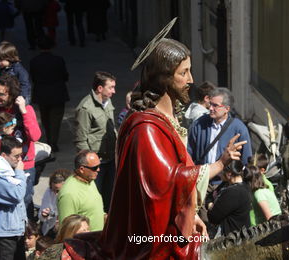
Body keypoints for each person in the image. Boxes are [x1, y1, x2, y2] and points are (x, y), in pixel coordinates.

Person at [101, 37, 246, 259]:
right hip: (151, 239)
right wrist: (219, 163)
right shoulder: (146, 129)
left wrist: (190, 215)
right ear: (163, 78)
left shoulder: (167, 119)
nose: (191, 80)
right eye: (183, 73)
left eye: (190, 71)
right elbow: (166, 183)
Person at [0, 74, 41, 221]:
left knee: (24, 200)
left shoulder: (24, 109)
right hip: (2, 165)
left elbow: (35, 136)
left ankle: (27, 234)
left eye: (1, 94)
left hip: (23, 165)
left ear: (11, 94)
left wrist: (24, 111)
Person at [75, 71, 116, 212]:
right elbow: (81, 139)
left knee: (110, 197)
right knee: (95, 198)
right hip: (96, 163)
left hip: (110, 158)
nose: (114, 91)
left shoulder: (108, 102)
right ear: (100, 88)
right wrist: (90, 163)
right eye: (110, 87)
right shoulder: (86, 108)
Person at [188, 87, 252, 167]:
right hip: (203, 177)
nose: (210, 108)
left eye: (215, 105)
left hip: (225, 178)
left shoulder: (239, 129)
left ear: (226, 109)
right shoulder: (199, 124)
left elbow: (247, 160)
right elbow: (188, 153)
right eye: (210, 104)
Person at [30, 36, 69, 152]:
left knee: (45, 118)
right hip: (57, 92)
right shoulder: (58, 60)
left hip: (42, 93)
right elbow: (65, 76)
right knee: (56, 119)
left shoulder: (34, 61)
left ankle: (49, 139)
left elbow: (33, 78)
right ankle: (53, 141)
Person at [57, 150, 104, 232]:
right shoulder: (69, 194)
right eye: (95, 168)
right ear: (82, 169)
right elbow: (67, 230)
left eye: (99, 166)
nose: (98, 170)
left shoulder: (89, 179)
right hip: (86, 242)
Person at [207, 160, 251, 237]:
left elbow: (213, 217)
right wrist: (211, 203)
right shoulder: (228, 184)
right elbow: (209, 197)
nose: (218, 173)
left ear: (229, 174)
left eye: (220, 171)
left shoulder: (234, 192)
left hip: (231, 237)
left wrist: (211, 206)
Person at [39, 169, 71, 237]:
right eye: (52, 189)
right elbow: (41, 216)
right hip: (50, 229)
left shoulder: (71, 196)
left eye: (57, 191)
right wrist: (44, 215)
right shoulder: (49, 191)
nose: (55, 194)